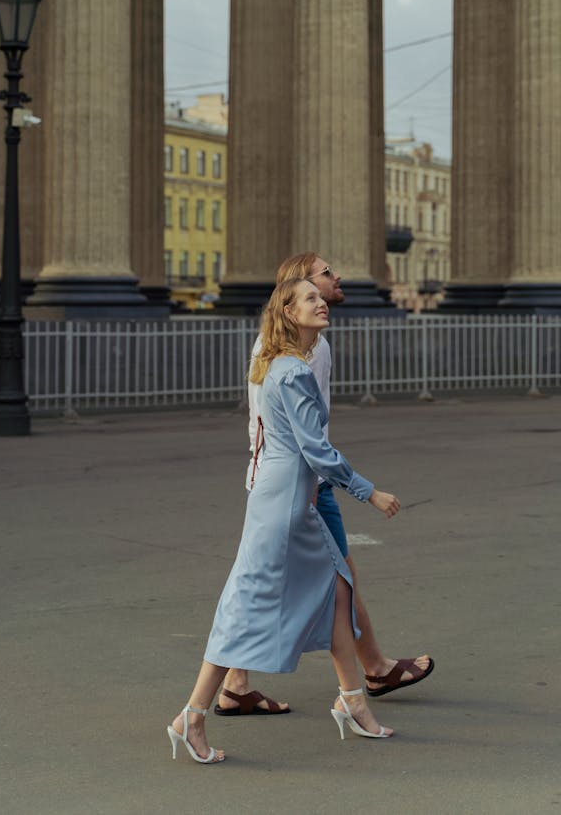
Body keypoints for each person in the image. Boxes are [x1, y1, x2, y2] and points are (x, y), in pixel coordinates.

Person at [167, 278, 401, 764]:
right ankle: (192, 715)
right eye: (310, 299)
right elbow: (316, 449)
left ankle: (354, 701)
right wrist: (369, 492)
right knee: (245, 604)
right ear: (289, 313)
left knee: (338, 590)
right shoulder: (293, 371)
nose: (323, 303)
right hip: (287, 504)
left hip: (285, 495)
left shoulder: (279, 364)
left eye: (321, 296)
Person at [216, 252, 433, 718]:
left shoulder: (315, 346)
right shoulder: (287, 356)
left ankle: (236, 686)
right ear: (294, 296)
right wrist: (360, 490)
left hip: (301, 480)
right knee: (300, 584)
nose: (334, 281)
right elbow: (280, 431)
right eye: (323, 277)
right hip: (296, 484)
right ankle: (367, 675)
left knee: (302, 583)